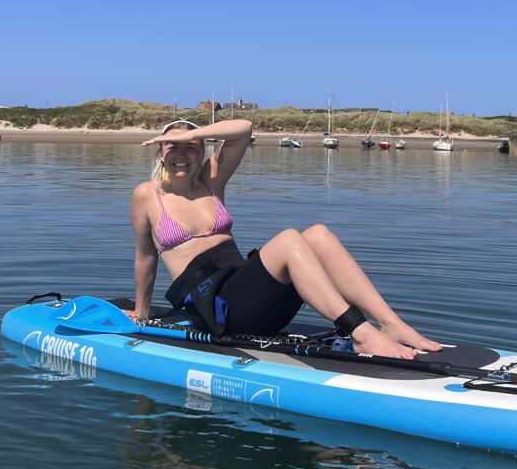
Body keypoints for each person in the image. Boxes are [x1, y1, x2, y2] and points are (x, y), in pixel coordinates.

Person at [130, 119, 441, 359]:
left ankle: (389, 323)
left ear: (201, 153)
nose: (182, 153)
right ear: (160, 153)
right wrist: (142, 313)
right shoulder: (147, 195)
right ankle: (359, 332)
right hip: (216, 309)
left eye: (191, 146)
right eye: (172, 146)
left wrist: (186, 133)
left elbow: (244, 129)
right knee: (290, 240)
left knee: (318, 235)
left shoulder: (212, 180)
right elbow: (146, 255)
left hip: (246, 297)